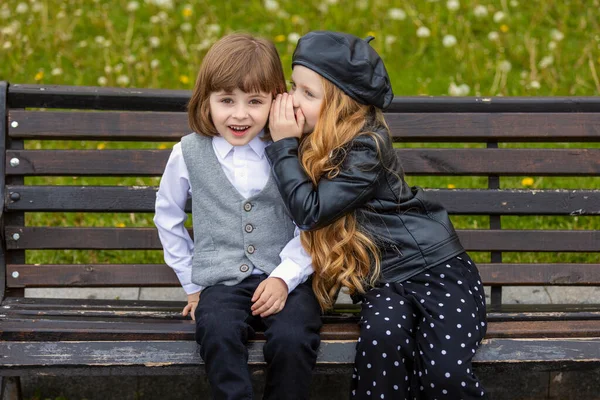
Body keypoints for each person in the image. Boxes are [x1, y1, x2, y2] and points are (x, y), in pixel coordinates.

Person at [266, 31, 487, 399]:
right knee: (380, 348)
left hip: (436, 273)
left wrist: (282, 145)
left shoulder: (367, 147)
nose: (293, 101)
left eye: (308, 93)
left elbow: (311, 212)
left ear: (341, 104)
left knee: (443, 372)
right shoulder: (317, 140)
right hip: (384, 284)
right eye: (294, 87)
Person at [154, 33, 321, 400]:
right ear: (207, 100)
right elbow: (167, 216)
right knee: (216, 331)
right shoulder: (188, 153)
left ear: (277, 100)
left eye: (255, 101)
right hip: (222, 283)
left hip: (285, 280)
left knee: (294, 337)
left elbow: (310, 223)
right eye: (226, 100)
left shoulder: (290, 153)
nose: (240, 114)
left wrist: (284, 278)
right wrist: (193, 286)